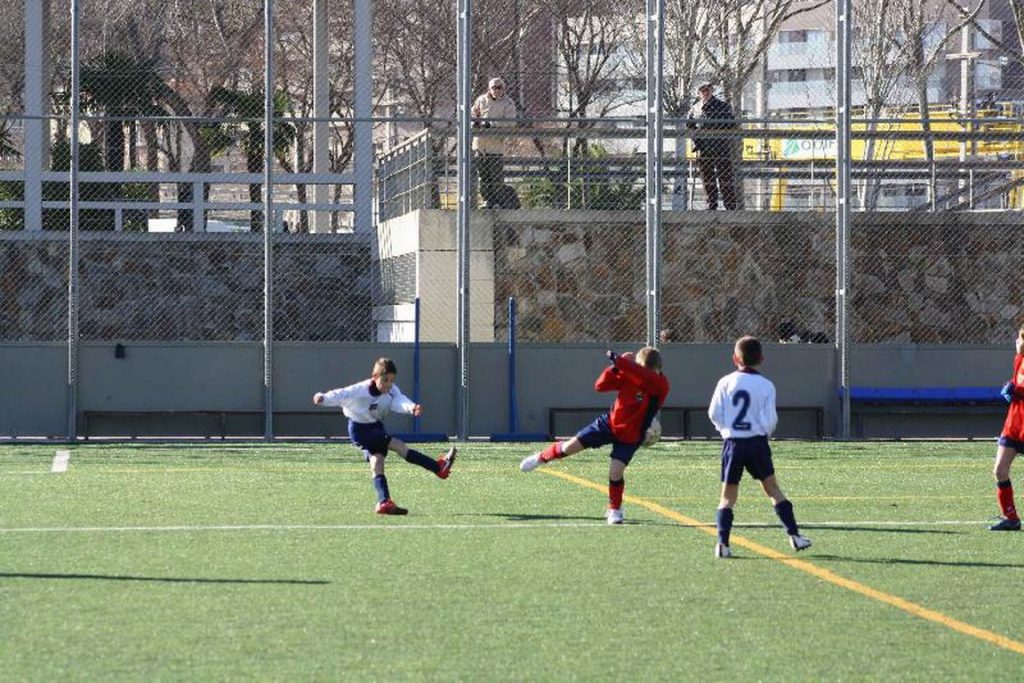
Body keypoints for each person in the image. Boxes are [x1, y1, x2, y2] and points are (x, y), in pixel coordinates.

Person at [519, 347, 670, 525]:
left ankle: (614, 509)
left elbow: (646, 377)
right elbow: (600, 386)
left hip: (631, 434)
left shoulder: (660, 385)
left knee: (615, 472)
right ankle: (540, 458)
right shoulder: (630, 373)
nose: (645, 373)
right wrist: (616, 368)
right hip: (609, 424)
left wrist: (620, 362)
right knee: (569, 447)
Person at [707, 336, 811, 558]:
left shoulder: (725, 382)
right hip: (756, 443)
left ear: (735, 358)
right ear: (761, 359)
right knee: (773, 489)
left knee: (727, 497)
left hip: (733, 443)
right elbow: (771, 420)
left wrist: (726, 430)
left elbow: (714, 413)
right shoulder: (766, 385)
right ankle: (794, 535)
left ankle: (722, 544)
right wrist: (764, 436)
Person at [313, 357, 456, 515]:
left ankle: (384, 501)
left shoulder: (392, 390)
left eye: (392, 380)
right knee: (398, 445)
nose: (389, 384)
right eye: (385, 379)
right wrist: (323, 397)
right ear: (374, 376)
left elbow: (399, 401)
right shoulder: (360, 390)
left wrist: (411, 407)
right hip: (359, 429)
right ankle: (438, 468)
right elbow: (340, 394)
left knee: (378, 460)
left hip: (375, 426)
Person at [990, 326, 1024, 531]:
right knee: (1000, 471)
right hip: (1014, 424)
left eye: (1021, 339)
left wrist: (1017, 390)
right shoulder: (1019, 359)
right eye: (1019, 337)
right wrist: (1010, 386)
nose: (1018, 342)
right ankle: (1011, 518)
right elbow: (1017, 382)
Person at [688, 82, 737, 210]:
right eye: (702, 90)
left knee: (725, 177)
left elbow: (731, 124)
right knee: (707, 177)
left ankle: (730, 205)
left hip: (721, 147)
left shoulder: (722, 106)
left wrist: (716, 131)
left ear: (712, 90)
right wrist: (697, 139)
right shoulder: (695, 108)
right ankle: (711, 204)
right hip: (704, 147)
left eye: (707, 89)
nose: (705, 92)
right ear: (698, 93)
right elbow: (689, 124)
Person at [471, 76, 518, 209]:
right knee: (483, 176)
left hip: (496, 145)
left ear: (504, 89)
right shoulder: (481, 100)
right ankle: (487, 201)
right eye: (494, 87)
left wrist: (491, 124)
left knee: (496, 176)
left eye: (499, 87)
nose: (496, 90)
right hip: (480, 144)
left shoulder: (508, 103)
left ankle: (499, 201)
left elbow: (510, 122)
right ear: (489, 89)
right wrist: (475, 123)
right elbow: (473, 114)